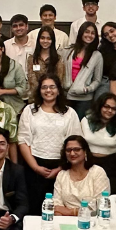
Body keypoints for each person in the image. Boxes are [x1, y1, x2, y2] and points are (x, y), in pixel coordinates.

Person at [18, 73, 81, 214]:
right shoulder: (29, 110)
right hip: (33, 165)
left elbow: (75, 144)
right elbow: (22, 140)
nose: (48, 90)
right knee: (33, 209)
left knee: (57, 210)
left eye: (52, 87)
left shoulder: (69, 113)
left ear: (58, 90)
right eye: (44, 87)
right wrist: (35, 167)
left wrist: (60, 169)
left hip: (62, 167)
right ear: (39, 90)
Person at [51, 135, 110, 215]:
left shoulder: (97, 172)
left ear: (85, 151)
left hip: (91, 221)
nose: (72, 153)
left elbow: (100, 206)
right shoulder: (62, 174)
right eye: (68, 150)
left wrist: (71, 212)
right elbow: (57, 206)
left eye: (77, 149)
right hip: (65, 221)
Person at [80, 92, 116, 186]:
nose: (109, 110)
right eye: (106, 106)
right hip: (87, 162)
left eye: (113, 108)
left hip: (110, 165)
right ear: (100, 106)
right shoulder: (86, 121)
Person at [62, 22, 103, 117]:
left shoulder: (97, 55)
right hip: (66, 96)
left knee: (80, 127)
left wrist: (87, 89)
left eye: (92, 33)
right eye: (87, 32)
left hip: (84, 100)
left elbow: (97, 80)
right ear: (81, 33)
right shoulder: (68, 50)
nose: (89, 35)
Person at [0, 35, 27, 113]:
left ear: (2, 49)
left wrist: (3, 91)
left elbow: (23, 88)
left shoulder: (15, 66)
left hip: (14, 108)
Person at [28, 25, 64, 101]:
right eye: (42, 38)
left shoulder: (58, 59)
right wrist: (41, 92)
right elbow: (32, 80)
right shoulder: (32, 59)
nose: (45, 41)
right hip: (35, 98)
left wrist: (49, 92)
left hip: (53, 98)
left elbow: (59, 80)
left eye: (48, 38)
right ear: (38, 39)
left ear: (52, 40)